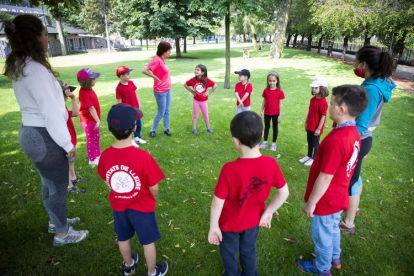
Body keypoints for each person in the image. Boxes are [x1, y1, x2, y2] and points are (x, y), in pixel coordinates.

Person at [3, 15, 88, 246]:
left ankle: (56, 221)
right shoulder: (35, 69)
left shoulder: (22, 64)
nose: (47, 39)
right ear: (35, 38)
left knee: (48, 184)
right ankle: (62, 234)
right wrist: (67, 144)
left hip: (32, 132)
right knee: (59, 187)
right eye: (44, 34)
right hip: (43, 135)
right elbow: (51, 113)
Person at [297, 85, 368, 275]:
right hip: (339, 196)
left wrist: (312, 202)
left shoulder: (338, 140)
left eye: (331, 104)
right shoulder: (353, 134)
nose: (328, 107)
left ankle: (322, 267)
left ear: (341, 110)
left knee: (322, 237)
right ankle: (335, 257)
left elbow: (326, 175)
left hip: (326, 200)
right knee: (334, 229)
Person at [208, 111, 289, 276]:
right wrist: (268, 212)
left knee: (229, 252)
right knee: (248, 250)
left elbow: (218, 202)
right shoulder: (271, 164)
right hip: (253, 222)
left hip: (229, 223)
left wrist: (214, 226)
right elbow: (284, 192)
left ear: (236, 141)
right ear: (261, 135)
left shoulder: (229, 169)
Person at [97, 104, 168, 276]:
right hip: (142, 207)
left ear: (108, 128)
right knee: (148, 241)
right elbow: (154, 187)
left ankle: (129, 264)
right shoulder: (142, 156)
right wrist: (150, 196)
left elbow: (107, 179)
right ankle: (152, 272)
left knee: (123, 237)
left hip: (119, 207)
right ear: (134, 128)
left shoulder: (105, 155)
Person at [339, 46, 395, 235]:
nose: (354, 65)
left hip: (359, 139)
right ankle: (354, 208)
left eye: (356, 61)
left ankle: (348, 222)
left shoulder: (371, 88)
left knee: (351, 179)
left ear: (364, 64)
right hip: (362, 140)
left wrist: (346, 140)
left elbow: (361, 124)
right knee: (356, 174)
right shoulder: (377, 82)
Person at [58, 80, 88, 194]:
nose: (69, 93)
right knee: (65, 162)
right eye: (67, 91)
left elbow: (75, 113)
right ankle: (68, 185)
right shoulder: (56, 107)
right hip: (64, 140)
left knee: (70, 160)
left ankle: (73, 178)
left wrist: (73, 99)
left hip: (70, 138)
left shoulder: (62, 105)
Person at [142, 41, 173, 138]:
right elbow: (144, 70)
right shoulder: (157, 60)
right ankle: (153, 130)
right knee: (161, 112)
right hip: (160, 91)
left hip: (167, 89)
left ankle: (166, 129)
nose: (170, 52)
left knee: (167, 111)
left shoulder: (161, 59)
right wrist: (153, 76)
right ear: (163, 50)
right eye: (168, 50)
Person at [299, 77, 329, 166]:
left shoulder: (323, 102)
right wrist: (306, 122)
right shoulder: (312, 100)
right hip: (310, 125)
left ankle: (314, 158)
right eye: (313, 88)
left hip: (316, 127)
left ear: (322, 89)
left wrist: (318, 129)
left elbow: (323, 117)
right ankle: (309, 156)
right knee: (310, 141)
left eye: (316, 88)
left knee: (316, 144)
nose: (313, 89)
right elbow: (310, 111)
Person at [116, 65, 147, 148]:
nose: (129, 75)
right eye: (127, 74)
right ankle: (131, 140)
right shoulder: (119, 88)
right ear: (121, 76)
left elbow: (135, 93)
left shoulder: (131, 83)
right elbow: (119, 101)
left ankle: (137, 137)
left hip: (135, 109)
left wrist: (139, 104)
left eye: (129, 73)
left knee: (138, 124)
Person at [184, 64, 217, 135]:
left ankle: (208, 128)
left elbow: (215, 85)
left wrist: (209, 93)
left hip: (203, 101)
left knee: (205, 115)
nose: (195, 71)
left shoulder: (206, 80)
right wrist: (192, 91)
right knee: (195, 115)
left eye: (198, 70)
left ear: (203, 72)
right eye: (195, 69)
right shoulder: (193, 80)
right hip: (196, 101)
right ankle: (194, 129)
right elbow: (185, 84)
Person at [77, 68, 101, 166]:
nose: (95, 79)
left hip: (94, 119)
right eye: (93, 78)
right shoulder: (83, 92)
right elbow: (91, 108)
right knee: (91, 139)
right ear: (87, 81)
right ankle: (92, 159)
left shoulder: (90, 89)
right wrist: (98, 120)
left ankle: (98, 155)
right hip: (89, 120)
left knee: (96, 137)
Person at [259, 71, 285, 151]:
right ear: (268, 81)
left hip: (275, 113)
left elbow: (281, 104)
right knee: (266, 127)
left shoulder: (280, 91)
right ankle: (265, 141)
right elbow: (264, 100)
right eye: (270, 81)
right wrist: (261, 110)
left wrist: (280, 115)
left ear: (277, 81)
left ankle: (274, 143)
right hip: (267, 112)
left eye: (274, 81)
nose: (272, 83)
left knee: (275, 127)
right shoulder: (266, 90)